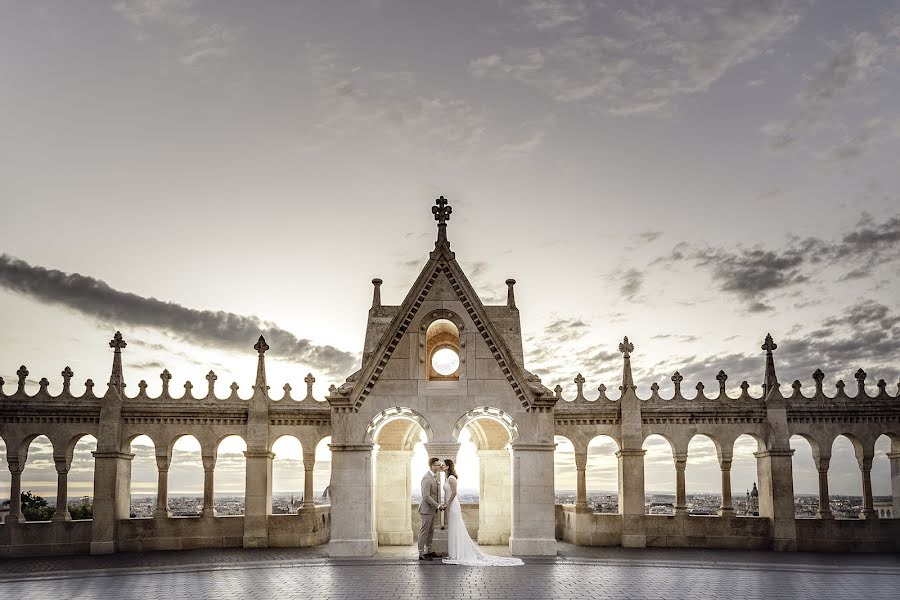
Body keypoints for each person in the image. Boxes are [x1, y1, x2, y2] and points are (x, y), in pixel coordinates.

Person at [440, 458, 523, 566]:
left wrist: (447, 503)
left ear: (447, 466)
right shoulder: (447, 478)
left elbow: (454, 492)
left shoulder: (451, 478)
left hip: (453, 506)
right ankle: (454, 553)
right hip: (450, 506)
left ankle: (458, 554)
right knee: (452, 528)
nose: (441, 466)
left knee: (456, 528)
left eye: (443, 464)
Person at [418, 457, 443, 561]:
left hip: (432, 510)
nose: (439, 466)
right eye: (437, 465)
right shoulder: (427, 478)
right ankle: (421, 553)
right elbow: (426, 496)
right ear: (433, 466)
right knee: (424, 532)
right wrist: (438, 505)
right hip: (426, 510)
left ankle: (428, 551)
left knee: (430, 531)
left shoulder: (434, 477)